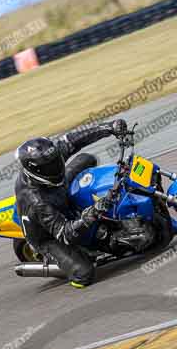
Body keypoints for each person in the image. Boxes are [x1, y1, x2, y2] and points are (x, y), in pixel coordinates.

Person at [14, 119, 128, 289]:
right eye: (49, 167)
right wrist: (90, 215)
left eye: (55, 162)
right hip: (48, 234)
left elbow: (74, 139)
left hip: (58, 192)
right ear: (35, 171)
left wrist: (109, 127)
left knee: (86, 159)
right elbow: (65, 233)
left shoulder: (48, 158)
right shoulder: (35, 201)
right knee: (84, 273)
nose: (54, 166)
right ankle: (62, 266)